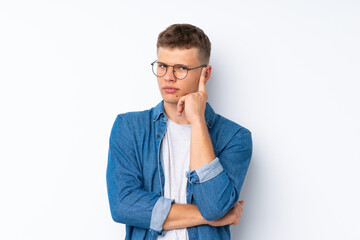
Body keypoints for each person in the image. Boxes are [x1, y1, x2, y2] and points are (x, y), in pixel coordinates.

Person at [106, 23, 253, 240]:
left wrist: (197, 120)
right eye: (163, 65)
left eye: (181, 68)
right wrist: (213, 217)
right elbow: (123, 205)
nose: (168, 76)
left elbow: (214, 205)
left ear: (206, 73)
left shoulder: (234, 137)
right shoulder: (129, 127)